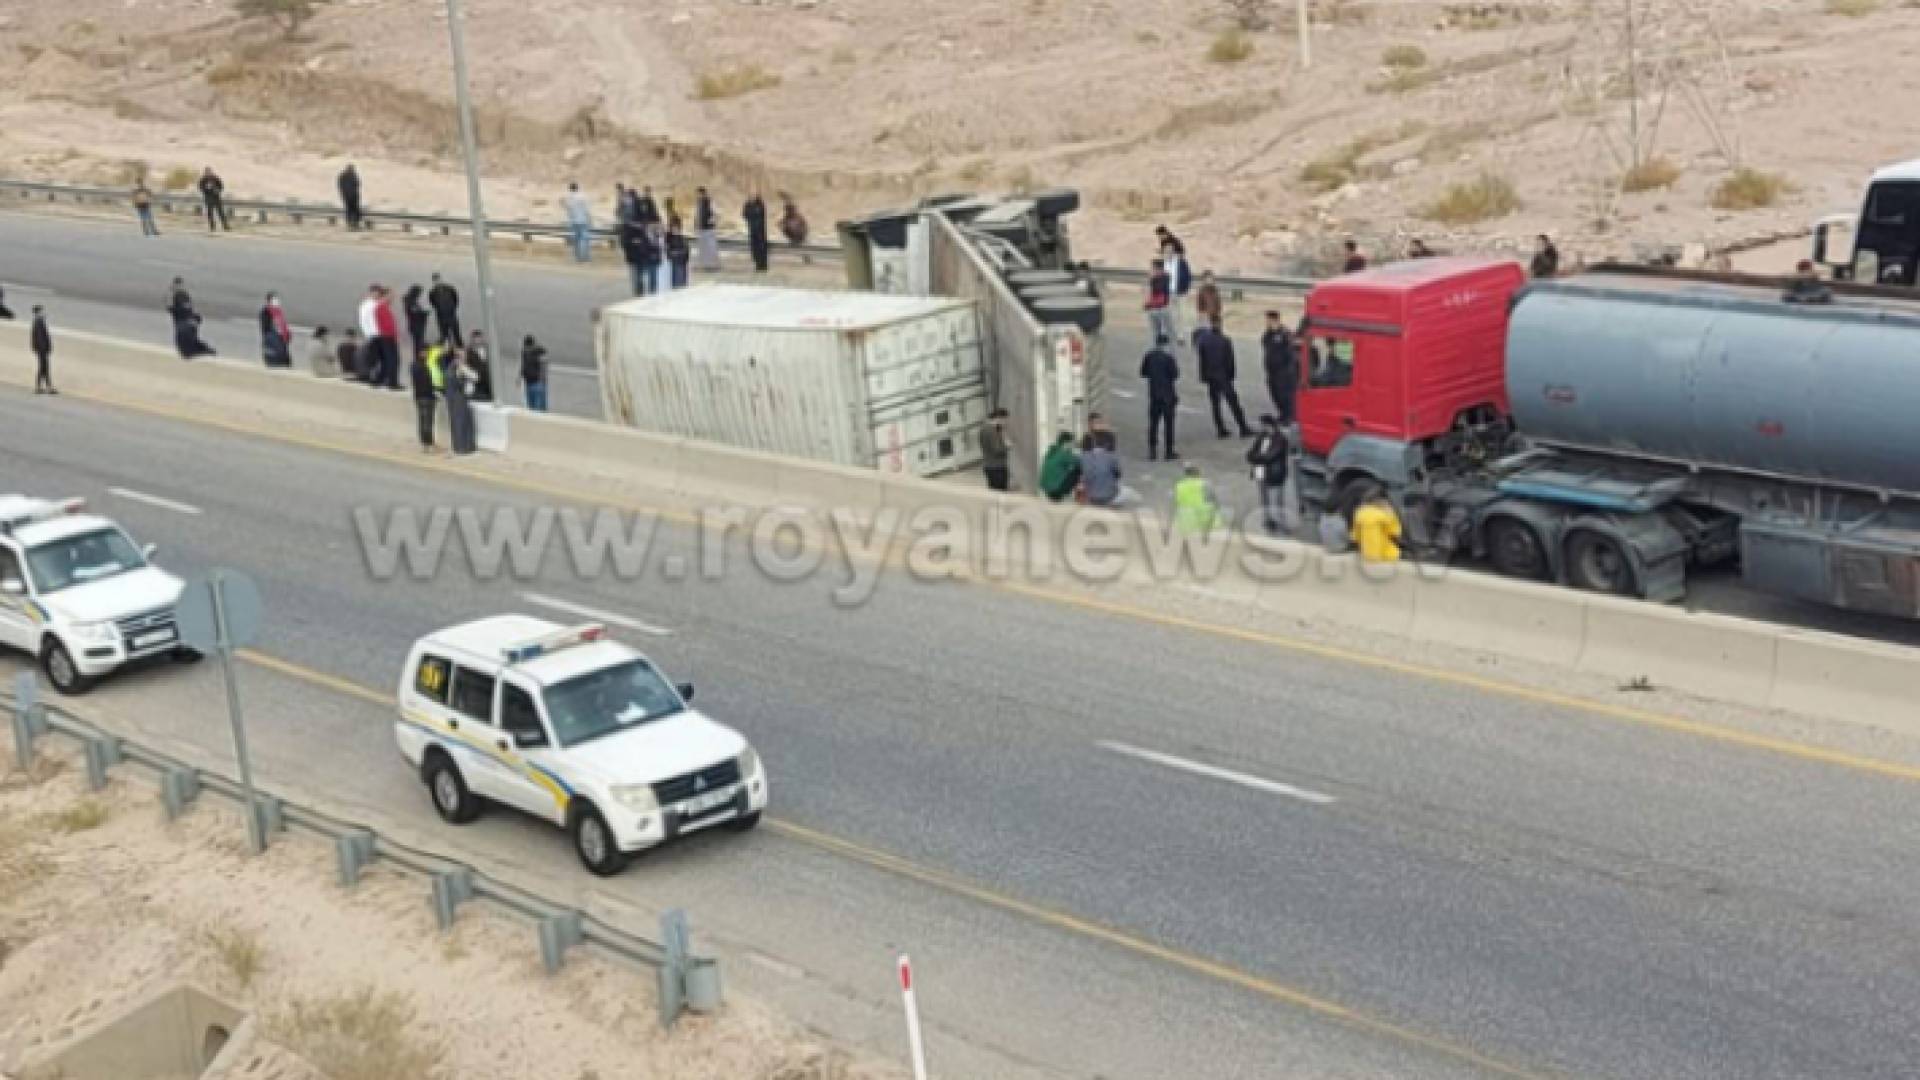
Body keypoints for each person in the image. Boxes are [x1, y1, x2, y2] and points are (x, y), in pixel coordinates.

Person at [1195, 314, 1253, 438]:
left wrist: (1203, 376)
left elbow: (1202, 360)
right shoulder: (1225, 340)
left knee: (1215, 404)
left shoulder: (1203, 340)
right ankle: (1243, 427)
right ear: (1220, 324)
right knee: (1233, 402)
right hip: (1223, 376)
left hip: (1211, 376)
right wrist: (1231, 375)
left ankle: (1220, 429)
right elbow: (1230, 360)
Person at [1246, 415, 1291, 534]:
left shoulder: (1280, 439)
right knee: (1264, 497)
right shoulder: (1262, 436)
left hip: (1274, 472)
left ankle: (1281, 525)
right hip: (1260, 470)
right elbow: (1250, 453)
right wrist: (1257, 458)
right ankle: (1268, 521)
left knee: (1277, 500)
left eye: (1263, 425)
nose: (1261, 428)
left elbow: (1270, 456)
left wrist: (1256, 458)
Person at [1139, 335, 1180, 461]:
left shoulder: (1149, 356)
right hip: (1167, 395)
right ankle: (1168, 451)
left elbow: (1143, 372)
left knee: (1153, 424)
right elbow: (1175, 375)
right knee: (1169, 425)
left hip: (1154, 395)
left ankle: (1152, 451)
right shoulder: (1169, 358)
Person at [1260, 310, 1298, 424]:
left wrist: (1287, 369)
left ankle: (1289, 416)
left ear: (1274, 319)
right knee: (1275, 394)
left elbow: (1291, 352)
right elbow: (1264, 343)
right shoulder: (1268, 334)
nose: (1266, 322)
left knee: (1285, 395)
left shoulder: (1285, 333)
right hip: (1272, 372)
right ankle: (1282, 414)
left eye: (1268, 320)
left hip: (1283, 372)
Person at [168, 278, 215, 359]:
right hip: (185, 325)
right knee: (191, 346)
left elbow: (173, 309)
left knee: (190, 347)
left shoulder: (181, 297)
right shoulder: (182, 297)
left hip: (185, 325)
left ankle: (178, 287)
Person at [1080, 437, 1132, 508]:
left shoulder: (1084, 457)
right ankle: (1113, 504)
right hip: (1108, 497)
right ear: (1106, 445)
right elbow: (1119, 474)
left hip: (1090, 496)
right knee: (1127, 491)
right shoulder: (1111, 457)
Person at [445, 347, 478, 455]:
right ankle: (461, 447)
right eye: (463, 356)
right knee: (460, 423)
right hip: (457, 400)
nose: (465, 358)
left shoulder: (457, 368)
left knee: (464, 422)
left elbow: (475, 377)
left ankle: (466, 446)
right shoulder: (453, 369)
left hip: (459, 399)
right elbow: (458, 382)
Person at [1172, 463, 1221, 534]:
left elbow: (1174, 501)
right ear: (1198, 473)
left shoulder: (1179, 485)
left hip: (1185, 517)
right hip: (1203, 515)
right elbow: (1213, 498)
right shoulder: (1205, 483)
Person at [1352, 494, 1403, 563]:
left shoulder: (1359, 514)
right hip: (1385, 554)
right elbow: (1395, 533)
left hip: (1366, 554)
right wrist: (1392, 515)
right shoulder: (1385, 515)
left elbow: (1355, 536)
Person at [410, 346, 439, 453]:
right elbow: (428, 381)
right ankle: (429, 443)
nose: (427, 354)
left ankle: (425, 444)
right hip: (427, 396)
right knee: (428, 421)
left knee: (422, 420)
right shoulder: (425, 366)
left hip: (419, 396)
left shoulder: (414, 366)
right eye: (426, 352)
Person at [1038, 432, 1081, 503]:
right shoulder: (1063, 453)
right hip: (1056, 490)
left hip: (1046, 488)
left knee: (1067, 468)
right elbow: (1078, 461)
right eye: (1071, 443)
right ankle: (1077, 495)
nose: (1072, 446)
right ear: (1066, 443)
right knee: (1078, 469)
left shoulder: (1051, 451)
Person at [1144, 258, 1174, 349]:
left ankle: (1165, 352)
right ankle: (1157, 350)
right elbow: (1151, 293)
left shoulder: (1164, 278)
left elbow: (1159, 290)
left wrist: (1152, 279)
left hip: (1162, 308)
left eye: (1153, 268)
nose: (1151, 270)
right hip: (1154, 309)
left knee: (1164, 333)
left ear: (1158, 268)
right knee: (1155, 332)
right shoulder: (1158, 278)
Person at [979, 408, 1011, 492]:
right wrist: (1007, 445)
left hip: (989, 465)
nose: (1005, 423)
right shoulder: (992, 431)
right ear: (999, 418)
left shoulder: (983, 428)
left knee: (994, 493)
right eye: (1005, 420)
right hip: (997, 467)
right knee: (1000, 493)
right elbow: (997, 449)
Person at [619, 216, 651, 296]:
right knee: (635, 278)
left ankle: (640, 293)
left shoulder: (644, 228)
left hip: (642, 257)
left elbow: (648, 242)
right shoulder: (627, 229)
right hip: (633, 257)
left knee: (641, 278)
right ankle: (637, 294)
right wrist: (632, 242)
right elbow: (623, 243)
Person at [259, 292, 292, 368]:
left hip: (277, 342)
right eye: (275, 300)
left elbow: (283, 327)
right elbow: (269, 328)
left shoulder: (275, 312)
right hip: (274, 342)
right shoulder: (267, 312)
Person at [562, 181, 593, 263]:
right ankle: (585, 257)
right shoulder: (582, 196)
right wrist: (590, 219)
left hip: (573, 221)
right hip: (583, 220)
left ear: (570, 188)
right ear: (577, 188)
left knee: (576, 240)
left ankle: (577, 257)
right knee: (584, 239)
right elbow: (587, 209)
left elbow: (567, 209)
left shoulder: (568, 198)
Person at [428, 273, 461, 344]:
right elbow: (432, 303)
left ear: (441, 279)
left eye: (438, 280)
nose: (437, 282)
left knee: (456, 334)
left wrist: (452, 308)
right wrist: (439, 309)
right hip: (441, 316)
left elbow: (455, 299)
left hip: (451, 314)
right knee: (444, 335)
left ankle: (460, 348)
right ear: (433, 282)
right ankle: (448, 350)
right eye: (435, 280)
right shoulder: (432, 292)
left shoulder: (449, 288)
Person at [520, 335, 550, 412]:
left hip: (537, 384)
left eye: (527, 347)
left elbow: (543, 368)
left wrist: (542, 382)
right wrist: (520, 376)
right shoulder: (524, 353)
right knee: (531, 407)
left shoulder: (540, 353)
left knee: (539, 408)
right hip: (529, 384)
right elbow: (523, 365)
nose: (526, 349)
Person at [30, 306, 55, 395]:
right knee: (44, 368)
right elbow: (41, 338)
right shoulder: (38, 322)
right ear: (38, 312)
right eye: (42, 311)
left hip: (41, 350)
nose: (44, 313)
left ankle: (42, 387)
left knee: (43, 368)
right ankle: (45, 387)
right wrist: (45, 349)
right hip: (42, 350)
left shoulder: (38, 322)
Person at [695, 186, 721, 272]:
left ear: (703, 193)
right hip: (701, 228)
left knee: (711, 247)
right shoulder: (698, 202)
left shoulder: (710, 201)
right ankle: (706, 264)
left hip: (709, 228)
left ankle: (713, 264)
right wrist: (696, 224)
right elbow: (698, 215)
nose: (698, 195)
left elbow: (716, 213)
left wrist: (712, 221)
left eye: (699, 194)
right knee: (703, 248)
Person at [743, 193, 770, 273]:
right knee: (755, 249)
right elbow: (745, 215)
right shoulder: (749, 206)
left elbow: (761, 215)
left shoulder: (759, 206)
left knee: (761, 249)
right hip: (753, 231)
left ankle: (763, 265)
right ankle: (758, 264)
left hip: (760, 232)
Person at [403, 284, 430, 362]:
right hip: (416, 325)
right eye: (419, 293)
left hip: (415, 325)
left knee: (418, 342)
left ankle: (418, 357)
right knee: (418, 342)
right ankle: (418, 358)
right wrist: (425, 313)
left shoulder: (411, 301)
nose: (420, 295)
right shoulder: (410, 302)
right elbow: (415, 312)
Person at [198, 167, 230, 232]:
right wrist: (206, 188)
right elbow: (201, 188)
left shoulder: (215, 178)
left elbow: (221, 186)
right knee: (210, 213)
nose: (208, 173)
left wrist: (218, 190)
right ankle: (212, 227)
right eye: (207, 172)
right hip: (208, 198)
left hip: (216, 197)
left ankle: (225, 226)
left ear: (211, 172)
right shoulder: (203, 179)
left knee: (221, 212)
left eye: (209, 172)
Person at [467, 330, 494, 403]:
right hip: (477, 378)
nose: (478, 341)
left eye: (480, 338)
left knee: (491, 395)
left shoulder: (487, 348)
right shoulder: (469, 351)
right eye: (476, 339)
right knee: (481, 398)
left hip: (488, 378)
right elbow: (468, 366)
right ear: (473, 340)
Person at [666, 217, 692, 289]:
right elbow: (668, 251)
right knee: (677, 282)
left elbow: (686, 250)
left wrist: (682, 254)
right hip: (675, 263)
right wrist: (675, 253)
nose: (676, 229)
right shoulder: (669, 238)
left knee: (682, 281)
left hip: (682, 263)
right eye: (674, 228)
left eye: (677, 228)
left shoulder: (682, 238)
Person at [647, 222, 670, 295]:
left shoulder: (664, 238)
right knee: (656, 278)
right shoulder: (652, 238)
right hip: (656, 260)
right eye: (658, 229)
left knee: (664, 277)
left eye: (661, 229)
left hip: (664, 259)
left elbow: (665, 248)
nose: (659, 230)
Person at [338, 164, 364, 230]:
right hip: (351, 195)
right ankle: (353, 222)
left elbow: (340, 186)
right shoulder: (351, 175)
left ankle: (351, 222)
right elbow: (358, 184)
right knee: (353, 209)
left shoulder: (343, 176)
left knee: (350, 209)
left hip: (349, 195)